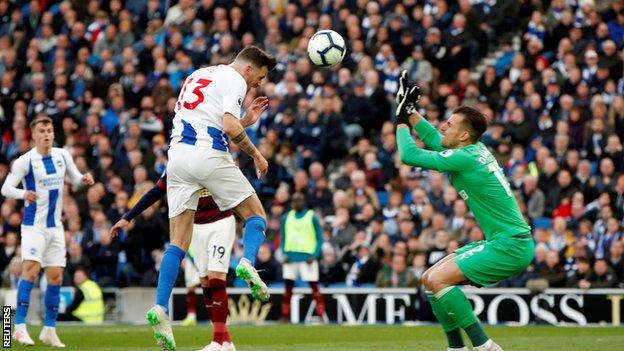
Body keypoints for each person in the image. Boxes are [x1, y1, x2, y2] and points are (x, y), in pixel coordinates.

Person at [147, 45, 276, 350]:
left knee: (177, 241)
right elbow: (227, 128)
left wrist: (246, 121)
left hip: (177, 157)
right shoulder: (234, 79)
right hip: (208, 154)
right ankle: (246, 261)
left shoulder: (198, 74)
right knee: (256, 215)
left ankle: (160, 308)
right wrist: (257, 155)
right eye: (258, 78)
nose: (256, 85)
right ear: (247, 68)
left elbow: (215, 122)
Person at [394, 71, 534, 351]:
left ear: (464, 135)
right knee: (428, 280)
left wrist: (400, 122)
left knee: (437, 279)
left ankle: (484, 346)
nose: (443, 127)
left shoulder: (464, 158)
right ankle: (455, 347)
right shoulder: (472, 150)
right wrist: (410, 113)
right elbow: (435, 140)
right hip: (507, 241)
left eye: (449, 124)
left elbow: (409, 155)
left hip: (510, 246)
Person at [110, 172, 237, 351]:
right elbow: (157, 190)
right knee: (205, 282)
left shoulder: (215, 152)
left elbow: (238, 185)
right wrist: (128, 216)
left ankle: (217, 342)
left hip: (221, 222)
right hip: (195, 228)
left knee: (215, 277)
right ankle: (226, 342)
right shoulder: (177, 160)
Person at [1, 115, 95, 347]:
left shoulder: (63, 155)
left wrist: (85, 179)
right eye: (42, 131)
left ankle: (49, 329)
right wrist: (24, 194)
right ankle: (19, 327)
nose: (46, 134)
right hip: (34, 226)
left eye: (49, 130)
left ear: (54, 133)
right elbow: (6, 188)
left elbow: (75, 180)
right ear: (33, 135)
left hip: (55, 227)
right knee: (31, 272)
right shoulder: (25, 161)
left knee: (55, 277)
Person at [280, 192, 326, 322]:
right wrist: (284, 253)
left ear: (304, 201)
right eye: (294, 200)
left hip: (308, 258)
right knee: (287, 288)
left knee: (314, 287)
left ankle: (322, 315)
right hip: (290, 257)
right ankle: (285, 316)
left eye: (299, 200)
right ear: (291, 203)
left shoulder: (312, 217)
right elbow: (283, 237)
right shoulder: (286, 217)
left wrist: (315, 255)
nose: (297, 203)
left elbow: (320, 238)